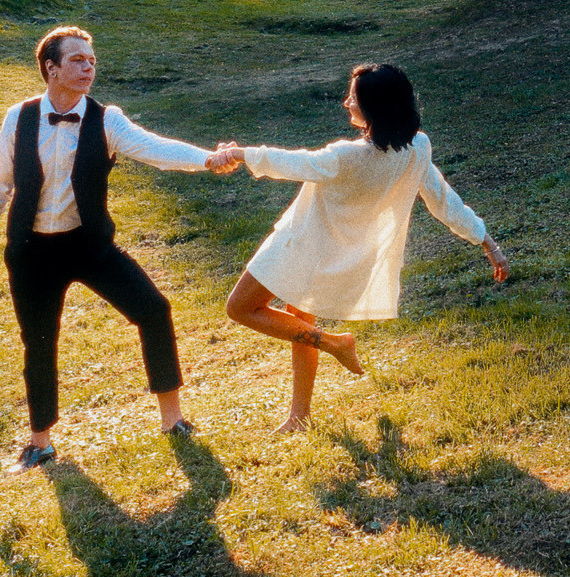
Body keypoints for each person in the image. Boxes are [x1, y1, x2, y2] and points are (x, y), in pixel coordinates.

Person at [0, 26, 223, 469]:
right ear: (51, 68)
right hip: (31, 251)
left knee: (154, 309)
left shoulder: (106, 119)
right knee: (39, 343)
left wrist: (206, 158)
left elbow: (155, 149)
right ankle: (40, 442)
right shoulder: (17, 118)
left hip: (89, 245)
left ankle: (172, 420)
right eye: (77, 60)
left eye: (92, 61)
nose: (88, 68)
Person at [212, 63, 508, 431]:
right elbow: (443, 201)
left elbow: (293, 162)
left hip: (300, 246)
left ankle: (335, 344)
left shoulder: (346, 156)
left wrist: (238, 153)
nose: (345, 102)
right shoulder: (416, 147)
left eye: (352, 97)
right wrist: (487, 241)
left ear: (373, 107)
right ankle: (299, 415)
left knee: (240, 307)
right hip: (331, 252)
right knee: (297, 318)